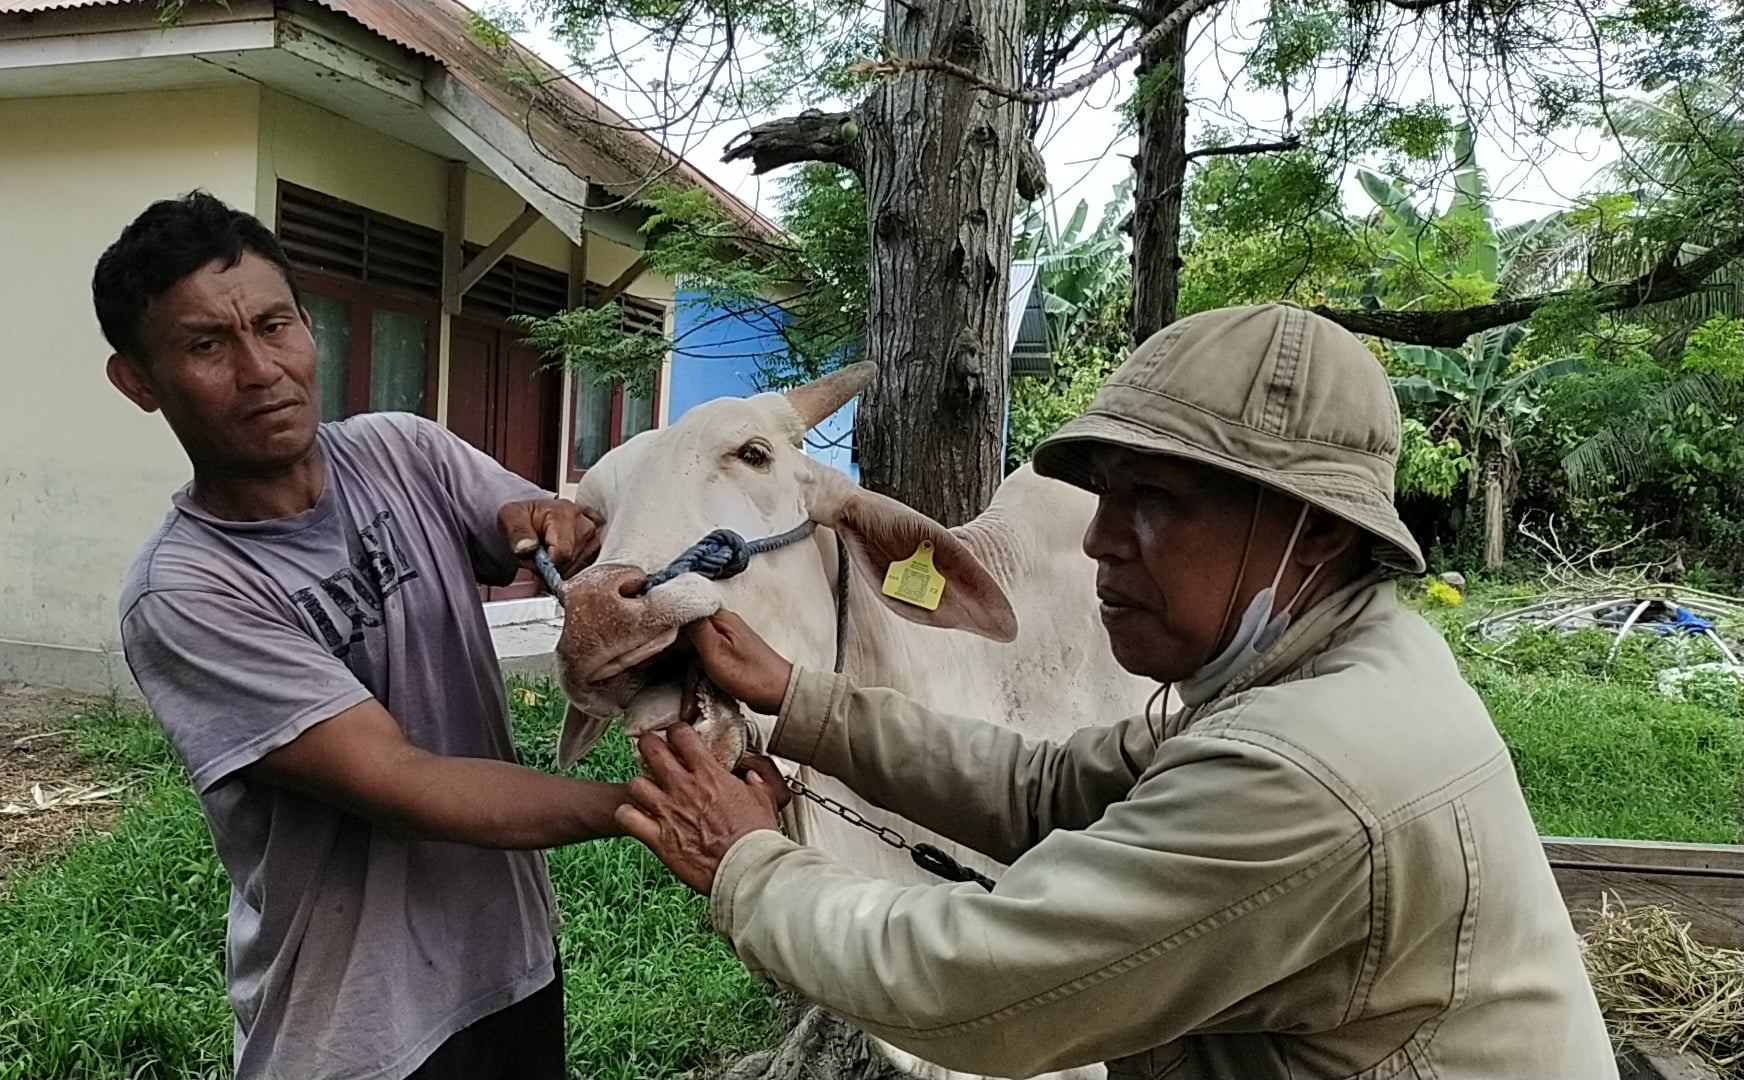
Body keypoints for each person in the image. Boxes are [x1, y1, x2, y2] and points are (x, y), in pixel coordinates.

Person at [617, 304, 1618, 1078]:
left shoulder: (1306, 769)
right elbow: (1048, 787)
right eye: (1104, 497)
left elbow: (980, 987)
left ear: (1312, 530)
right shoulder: (1330, 660)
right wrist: (804, 699)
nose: (1094, 538)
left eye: (1155, 503)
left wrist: (744, 863)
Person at [95, 190, 619, 1080]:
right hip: (356, 1032)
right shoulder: (185, 592)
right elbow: (403, 782)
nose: (262, 370)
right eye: (207, 345)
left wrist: (551, 525)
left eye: (274, 325)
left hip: (511, 965)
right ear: (139, 381)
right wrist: (645, 810)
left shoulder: (401, 450)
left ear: (309, 325)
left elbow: (520, 522)